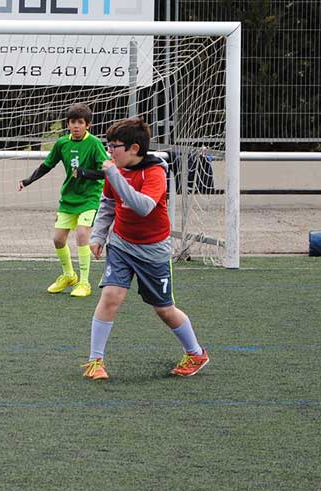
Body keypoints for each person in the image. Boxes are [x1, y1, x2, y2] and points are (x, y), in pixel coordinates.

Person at [82, 118, 208, 380]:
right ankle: (95, 361)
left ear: (134, 149)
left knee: (164, 309)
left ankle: (195, 353)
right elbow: (107, 205)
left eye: (113, 146)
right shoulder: (116, 170)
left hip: (153, 251)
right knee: (111, 296)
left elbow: (142, 206)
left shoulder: (155, 173)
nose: (109, 152)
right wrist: (98, 235)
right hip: (121, 244)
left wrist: (114, 175)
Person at [17, 103, 109, 298]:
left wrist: (84, 173)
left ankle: (84, 282)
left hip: (89, 198)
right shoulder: (62, 143)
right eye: (72, 122)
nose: (76, 126)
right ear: (67, 124)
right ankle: (69, 275)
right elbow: (46, 165)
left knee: (83, 234)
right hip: (69, 199)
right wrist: (28, 181)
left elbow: (106, 172)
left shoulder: (94, 144)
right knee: (58, 239)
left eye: (80, 122)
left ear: (88, 125)